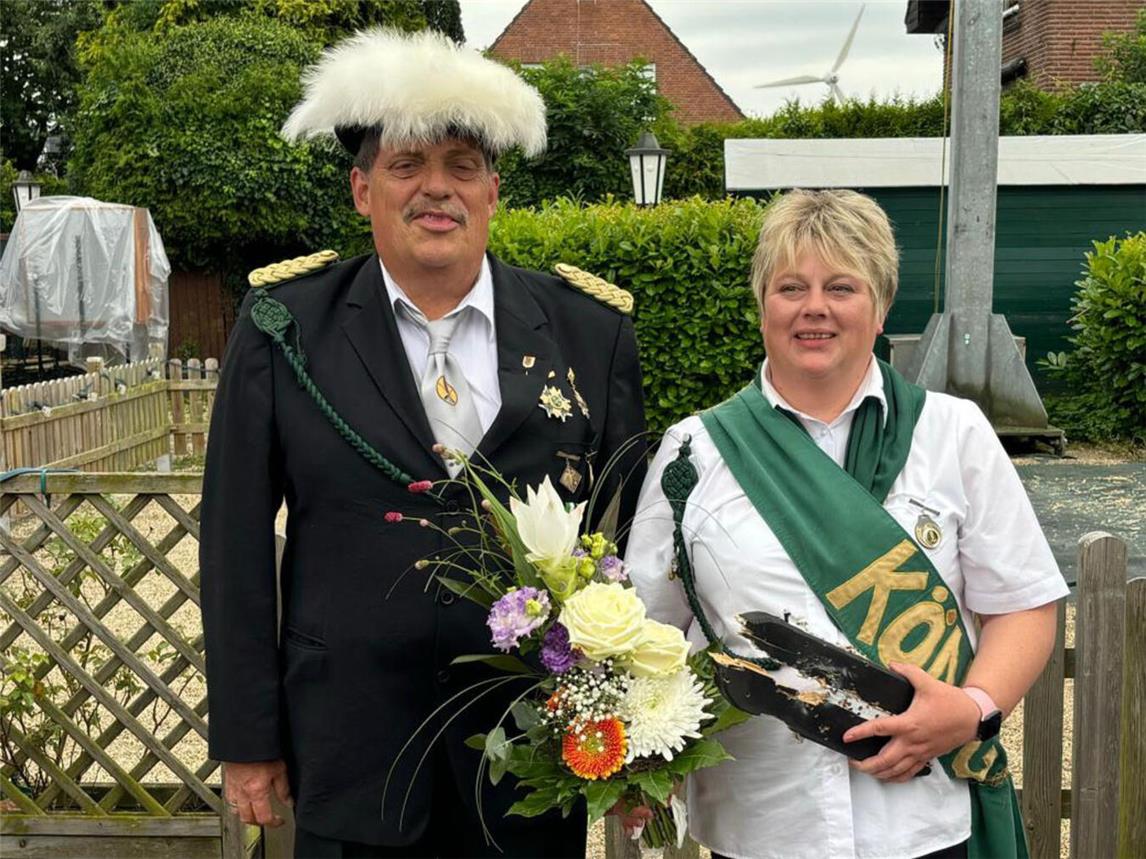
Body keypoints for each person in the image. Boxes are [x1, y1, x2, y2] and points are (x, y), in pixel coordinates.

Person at [199, 29, 646, 858]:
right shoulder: (283, 328)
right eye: (407, 165)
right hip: (348, 748)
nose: (436, 188)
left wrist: (636, 721)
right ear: (363, 189)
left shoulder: (591, 330)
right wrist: (248, 738)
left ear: (493, 191)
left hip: (533, 757)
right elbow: (233, 549)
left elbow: (630, 542)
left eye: (462, 165)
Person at [625, 189, 1067, 859]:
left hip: (923, 820)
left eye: (842, 286)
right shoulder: (695, 452)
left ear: (882, 303)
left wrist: (973, 706)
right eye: (790, 287)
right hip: (762, 823)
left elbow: (1025, 605)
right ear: (762, 303)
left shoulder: (953, 434)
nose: (814, 308)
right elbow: (645, 630)